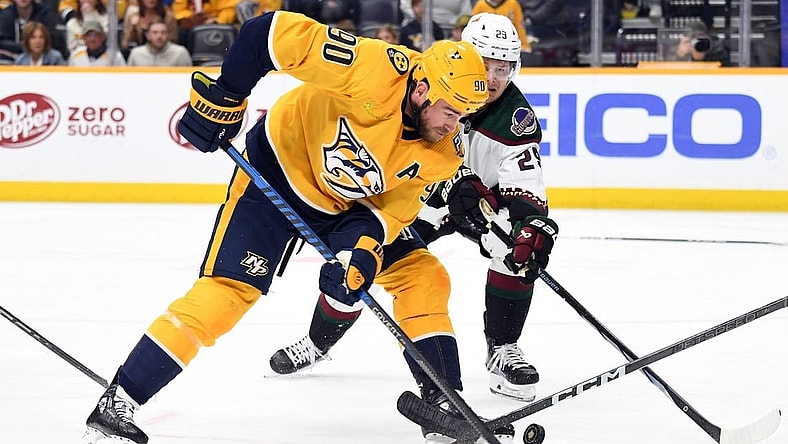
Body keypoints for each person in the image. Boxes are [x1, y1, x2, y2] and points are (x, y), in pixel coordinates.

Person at [80, 10, 490, 444]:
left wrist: (359, 252)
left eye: (463, 116)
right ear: (421, 89)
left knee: (422, 275)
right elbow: (266, 34)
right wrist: (227, 98)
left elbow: (388, 212)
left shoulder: (446, 150)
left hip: (345, 206)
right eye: (450, 111)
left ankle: (444, 404)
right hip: (274, 173)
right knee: (227, 294)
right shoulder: (372, 66)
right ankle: (121, 399)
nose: (453, 125)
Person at [268, 11, 555, 414]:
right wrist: (451, 184)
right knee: (361, 265)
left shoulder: (514, 119)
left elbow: (522, 177)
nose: (492, 79)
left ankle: (503, 349)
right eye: (486, 65)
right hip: (413, 202)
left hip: (475, 204)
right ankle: (318, 343)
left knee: (517, 245)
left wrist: (531, 223)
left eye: (504, 68)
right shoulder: (431, 81)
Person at [0, 0, 67, 62]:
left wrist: (29, 47)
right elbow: (2, 41)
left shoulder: (45, 14)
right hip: (12, 56)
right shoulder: (5, 14)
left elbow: (52, 40)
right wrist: (25, 47)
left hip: (41, 57)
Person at [126, 16, 191, 65]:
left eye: (163, 32)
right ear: (148, 35)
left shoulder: (180, 53)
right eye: (155, 32)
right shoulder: (136, 54)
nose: (159, 36)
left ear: (168, 35)